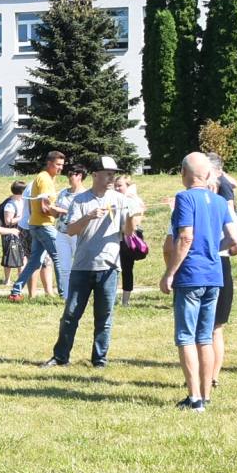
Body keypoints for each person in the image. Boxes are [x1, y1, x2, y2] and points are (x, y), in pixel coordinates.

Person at [158, 153, 237, 411]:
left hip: (190, 275)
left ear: (184, 173)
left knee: (185, 337)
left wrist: (170, 272)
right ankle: (205, 395)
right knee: (205, 337)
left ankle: (194, 398)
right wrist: (211, 248)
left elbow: (185, 237)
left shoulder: (184, 198)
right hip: (214, 275)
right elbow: (235, 241)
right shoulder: (219, 201)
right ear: (207, 175)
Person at [41, 156, 139, 369]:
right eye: (108, 173)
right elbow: (70, 230)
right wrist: (90, 216)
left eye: (114, 174)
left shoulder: (120, 200)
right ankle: (60, 357)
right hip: (83, 266)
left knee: (104, 316)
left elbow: (128, 233)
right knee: (71, 314)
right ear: (95, 175)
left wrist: (131, 216)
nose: (112, 177)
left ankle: (99, 360)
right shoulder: (81, 200)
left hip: (109, 267)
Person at [11, 151, 67, 300]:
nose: (60, 168)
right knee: (59, 257)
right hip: (44, 226)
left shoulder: (44, 178)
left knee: (34, 261)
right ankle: (64, 293)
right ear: (49, 163)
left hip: (35, 225)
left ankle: (16, 291)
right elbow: (45, 206)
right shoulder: (44, 179)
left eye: (62, 165)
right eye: (57, 165)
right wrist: (63, 212)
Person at [204, 152, 237, 383]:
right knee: (210, 327)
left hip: (216, 262)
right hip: (214, 262)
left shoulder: (222, 196)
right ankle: (208, 376)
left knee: (214, 326)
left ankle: (211, 376)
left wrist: (214, 247)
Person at [115, 174, 146, 306]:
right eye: (115, 185)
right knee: (113, 269)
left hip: (127, 239)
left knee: (127, 269)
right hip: (114, 238)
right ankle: (109, 297)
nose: (117, 188)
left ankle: (125, 301)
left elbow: (136, 221)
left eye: (120, 185)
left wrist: (123, 228)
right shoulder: (113, 200)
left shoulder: (134, 200)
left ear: (128, 186)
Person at [0, 181, 27, 283]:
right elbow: (8, 221)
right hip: (10, 232)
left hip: (20, 231)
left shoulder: (21, 201)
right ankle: (7, 280)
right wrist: (22, 217)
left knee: (23, 255)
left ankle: (20, 278)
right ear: (21, 191)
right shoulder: (9, 205)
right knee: (8, 255)